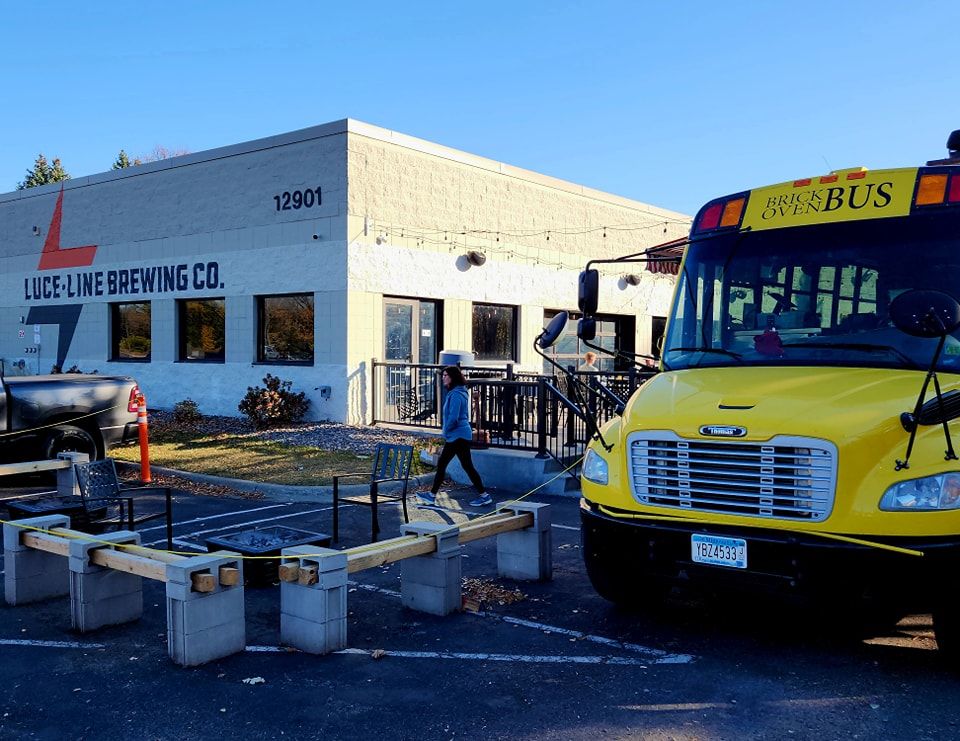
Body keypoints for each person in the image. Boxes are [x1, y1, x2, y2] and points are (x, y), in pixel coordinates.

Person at [420, 366, 492, 507]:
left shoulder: (456, 394)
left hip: (457, 435)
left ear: (452, 377)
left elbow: (454, 417)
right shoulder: (456, 392)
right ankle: (484, 495)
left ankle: (431, 495)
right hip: (459, 434)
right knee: (466, 466)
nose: (443, 377)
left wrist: (446, 432)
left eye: (445, 375)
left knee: (443, 464)